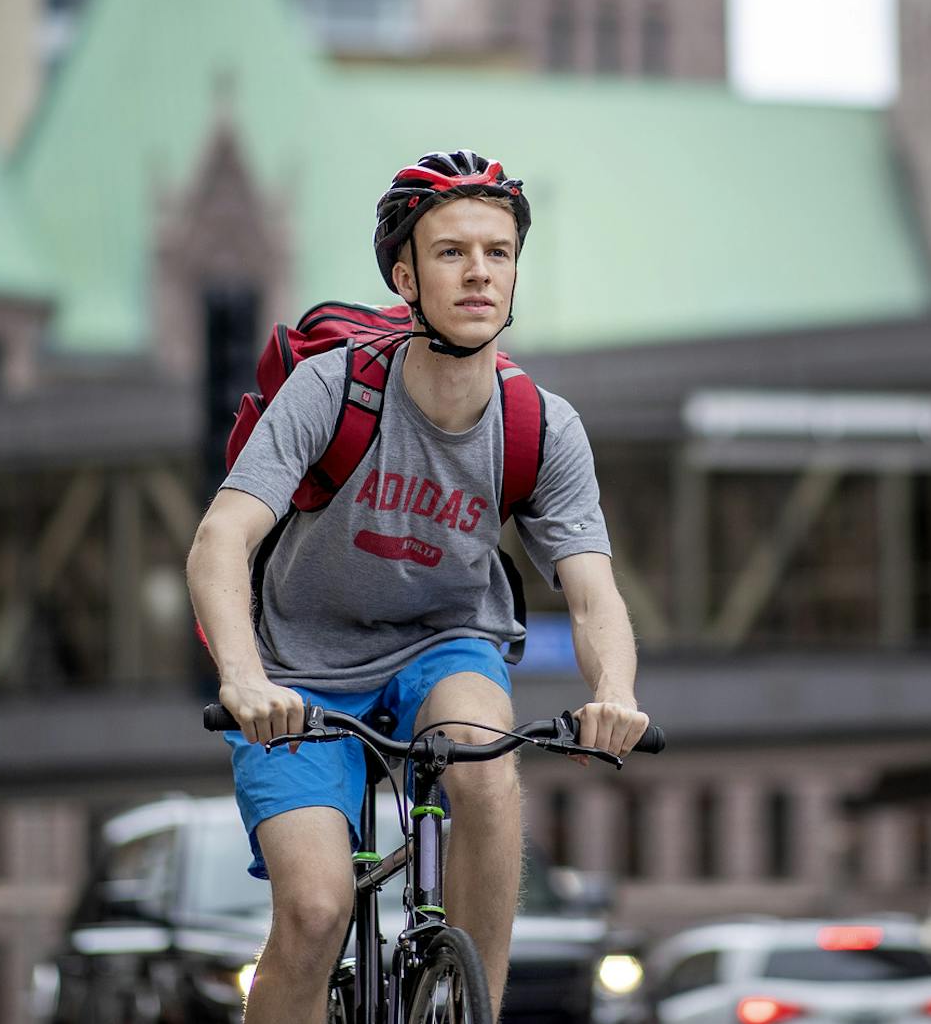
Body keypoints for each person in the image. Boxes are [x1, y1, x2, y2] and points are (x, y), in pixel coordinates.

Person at [186, 150, 649, 1023]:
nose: (479, 271)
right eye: (451, 252)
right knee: (314, 912)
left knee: (486, 764)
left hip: (446, 643)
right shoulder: (334, 389)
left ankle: (473, 1007)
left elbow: (594, 594)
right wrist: (244, 680)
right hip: (300, 671)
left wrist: (615, 693)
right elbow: (220, 541)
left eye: (498, 252)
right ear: (404, 277)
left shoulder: (540, 426)